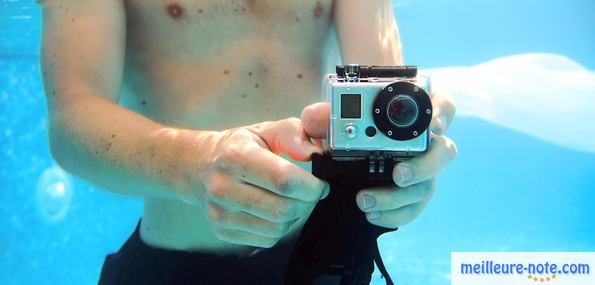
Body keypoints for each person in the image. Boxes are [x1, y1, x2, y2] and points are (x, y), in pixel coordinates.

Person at [38, 0, 457, 284]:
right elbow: (73, 119)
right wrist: (195, 164)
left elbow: (385, 92)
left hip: (321, 260)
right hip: (172, 269)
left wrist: (416, 142)